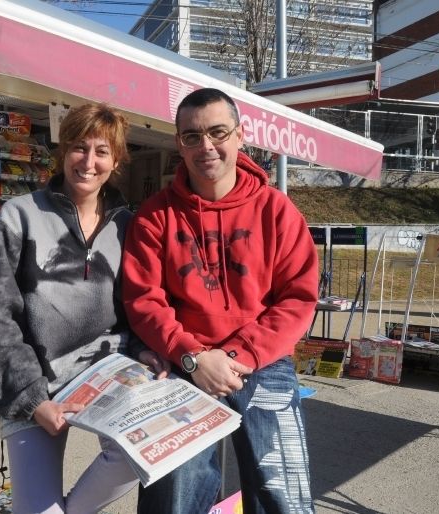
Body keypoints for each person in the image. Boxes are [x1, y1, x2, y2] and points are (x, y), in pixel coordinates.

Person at [122, 88, 318, 513]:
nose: (205, 146)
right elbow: (143, 300)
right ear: (179, 143)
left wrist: (236, 355)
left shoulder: (277, 211)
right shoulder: (155, 215)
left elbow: (298, 299)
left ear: (240, 135)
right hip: (183, 362)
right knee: (174, 489)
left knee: (283, 489)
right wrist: (193, 357)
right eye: (192, 136)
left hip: (262, 360)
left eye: (217, 132)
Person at [0, 102, 167, 514]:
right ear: (63, 151)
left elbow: (133, 308)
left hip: (108, 369)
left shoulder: (128, 225)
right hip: (37, 380)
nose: (89, 161)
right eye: (79, 148)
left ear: (116, 161)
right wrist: (32, 400)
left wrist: (142, 349)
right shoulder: (20, 214)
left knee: (145, 449)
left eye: (102, 151)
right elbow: (0, 319)